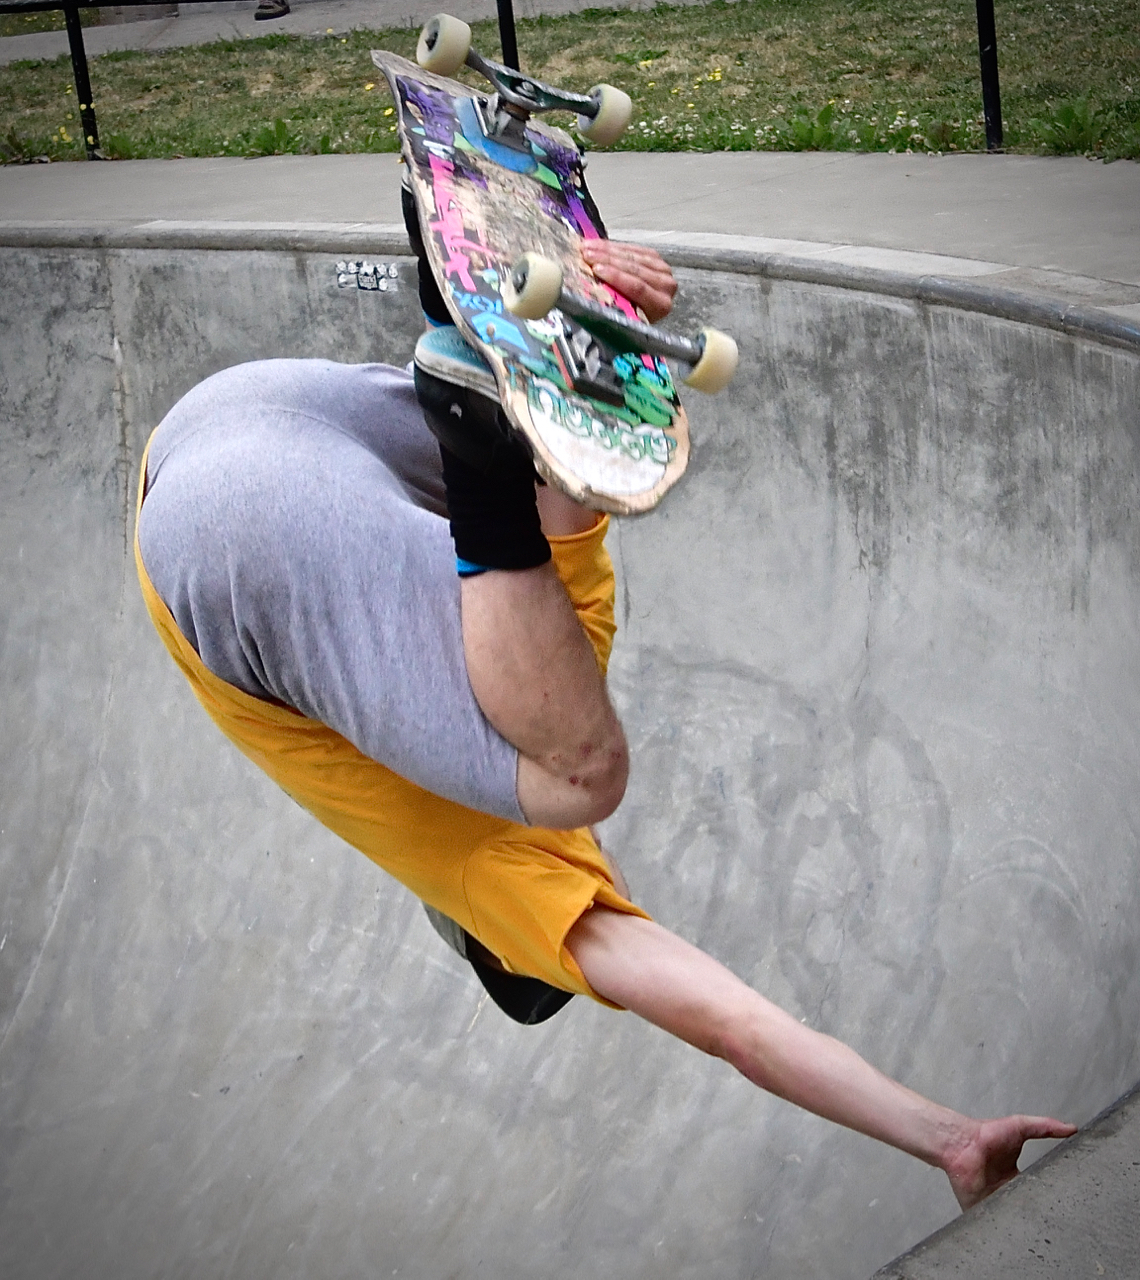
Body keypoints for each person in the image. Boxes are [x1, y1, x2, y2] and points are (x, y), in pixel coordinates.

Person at [134, 230, 1075, 1215]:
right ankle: (467, 291)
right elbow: (572, 492)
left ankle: (477, 356)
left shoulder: (507, 885)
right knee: (519, 562)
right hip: (225, 431)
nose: (604, 879)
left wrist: (952, 1139)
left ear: (503, 945)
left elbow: (736, 1026)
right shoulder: (527, 665)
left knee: (584, 774)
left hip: (231, 516)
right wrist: (604, 328)